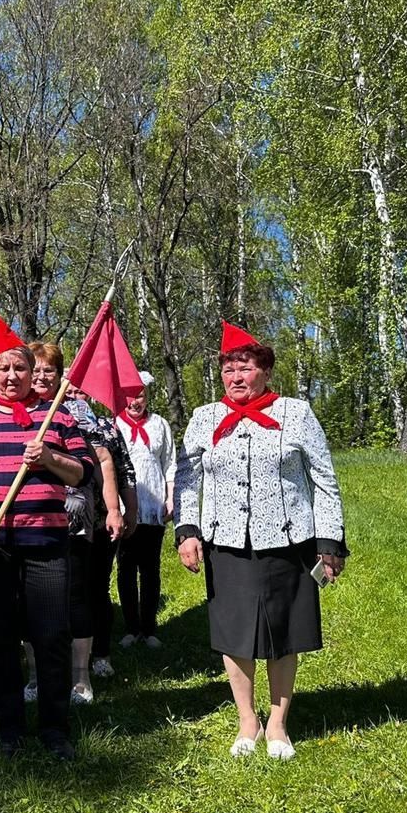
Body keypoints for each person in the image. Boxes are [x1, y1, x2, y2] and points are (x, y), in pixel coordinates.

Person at [174, 321, 347, 761]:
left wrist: (330, 540)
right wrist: (187, 531)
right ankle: (246, 719)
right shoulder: (204, 419)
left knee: (283, 632)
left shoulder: (296, 413)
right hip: (226, 542)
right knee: (235, 634)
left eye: (245, 367)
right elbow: (188, 479)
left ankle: (278, 723)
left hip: (289, 541)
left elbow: (324, 478)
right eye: (229, 369)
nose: (236, 377)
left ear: (265, 371)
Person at [0, 315, 94, 760]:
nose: (12, 377)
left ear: (33, 373)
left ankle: (55, 728)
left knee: (51, 637)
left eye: (20, 369)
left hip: (47, 546)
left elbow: (81, 471)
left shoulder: (58, 417)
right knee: (0, 638)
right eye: (4, 369)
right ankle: (9, 726)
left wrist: (49, 457)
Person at [64, 381, 138, 682]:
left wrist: (128, 509)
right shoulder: (50, 422)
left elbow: (124, 470)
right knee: (67, 592)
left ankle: (101, 655)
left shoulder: (107, 427)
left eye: (78, 392)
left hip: (101, 522)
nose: (73, 399)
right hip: (64, 524)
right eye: (67, 393)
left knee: (96, 589)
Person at [114, 370, 177, 648]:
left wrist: (171, 497)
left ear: (147, 395)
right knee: (126, 567)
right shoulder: (114, 425)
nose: (134, 401)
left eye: (139, 395)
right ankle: (131, 627)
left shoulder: (160, 424)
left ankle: (150, 629)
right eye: (129, 395)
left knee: (150, 569)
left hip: (153, 508)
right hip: (124, 507)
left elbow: (170, 463)